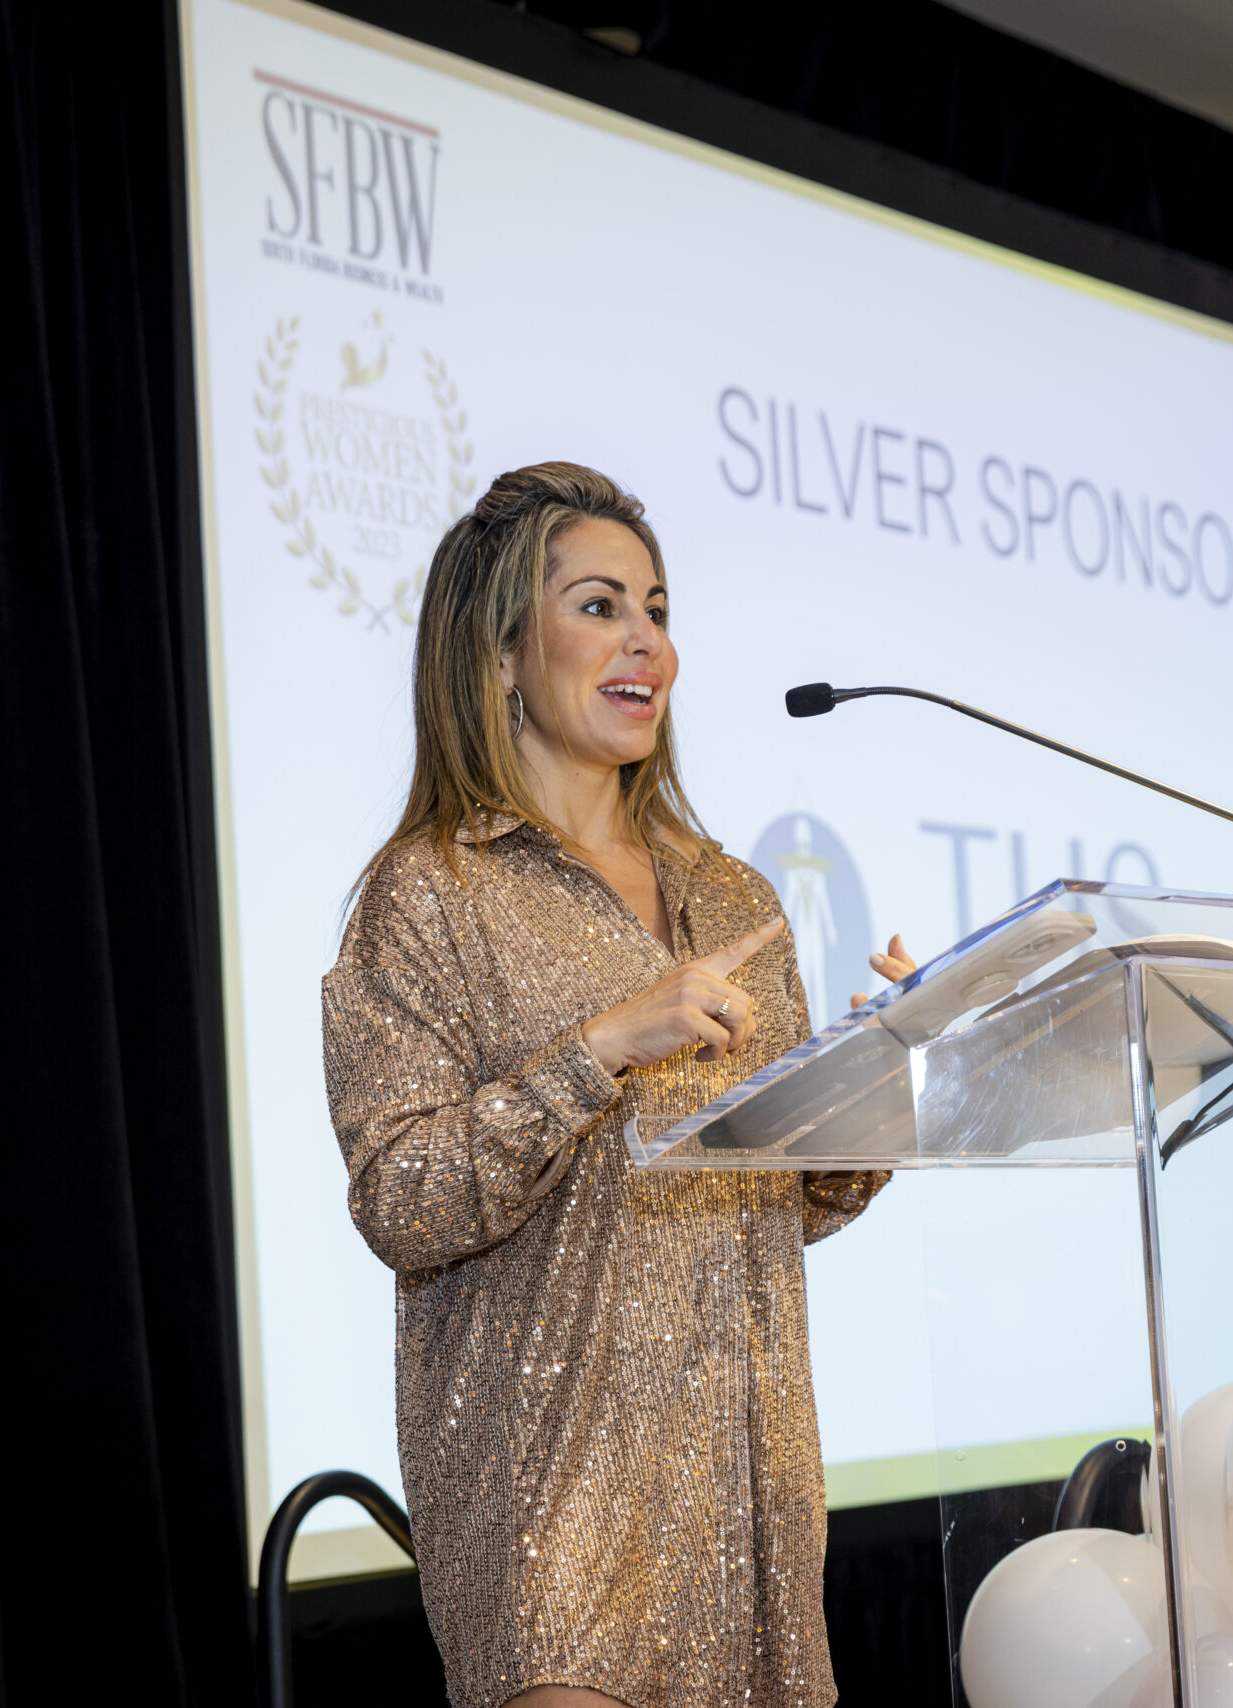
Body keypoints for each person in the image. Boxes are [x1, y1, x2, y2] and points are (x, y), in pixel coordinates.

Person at [322, 463, 915, 1708]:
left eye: (657, 608)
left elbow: (798, 1197)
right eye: (600, 606)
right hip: (551, 1512)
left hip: (748, 1499)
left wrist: (889, 1064)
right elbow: (401, 1199)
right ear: (501, 653)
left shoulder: (732, 892)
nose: (649, 641)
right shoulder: (428, 891)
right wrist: (596, 1050)